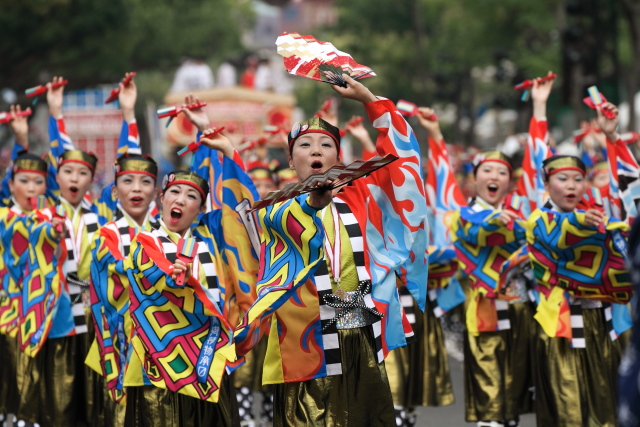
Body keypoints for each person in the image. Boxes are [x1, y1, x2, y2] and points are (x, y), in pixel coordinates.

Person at [235, 74, 429, 426]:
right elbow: (289, 225)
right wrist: (313, 203)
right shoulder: (278, 209)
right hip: (303, 337)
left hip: (355, 322)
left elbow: (402, 165)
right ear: (291, 161)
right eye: (305, 146)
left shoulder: (359, 198)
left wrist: (370, 99)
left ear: (339, 158)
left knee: (361, 418)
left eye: (325, 145)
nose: (316, 152)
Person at [124, 127, 258, 427]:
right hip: (158, 365)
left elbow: (241, 213)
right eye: (175, 192)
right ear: (161, 198)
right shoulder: (145, 241)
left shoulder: (211, 237)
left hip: (208, 363)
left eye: (192, 195)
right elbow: (149, 276)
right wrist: (172, 278)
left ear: (200, 208)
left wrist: (228, 152)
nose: (181, 200)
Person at [527, 103, 632, 426]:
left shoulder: (600, 214)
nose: (572, 185)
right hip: (562, 325)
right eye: (563, 179)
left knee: (608, 407)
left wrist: (611, 135)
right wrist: (580, 221)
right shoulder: (537, 220)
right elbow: (558, 234)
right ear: (546, 185)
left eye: (578, 179)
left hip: (603, 321)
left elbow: (627, 190)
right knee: (567, 409)